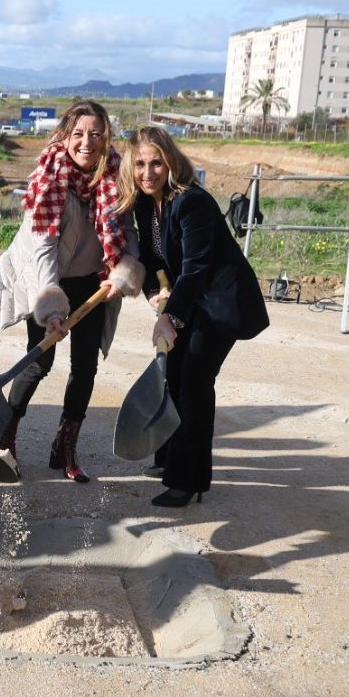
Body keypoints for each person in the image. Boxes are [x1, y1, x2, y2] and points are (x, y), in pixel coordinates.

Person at [0, 100, 144, 482]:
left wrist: (124, 269)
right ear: (65, 136)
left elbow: (128, 230)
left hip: (95, 284)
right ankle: (5, 440)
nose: (87, 142)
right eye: (78, 133)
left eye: (95, 134)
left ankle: (65, 446)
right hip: (47, 280)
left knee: (85, 366)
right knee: (39, 361)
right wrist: (50, 308)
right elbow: (42, 248)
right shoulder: (48, 179)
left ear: (106, 137)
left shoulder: (117, 176)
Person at [121, 127, 269, 507]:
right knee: (172, 373)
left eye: (156, 163)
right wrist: (155, 295)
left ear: (171, 162)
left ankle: (188, 481)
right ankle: (169, 459)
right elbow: (152, 258)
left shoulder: (192, 202)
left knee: (195, 381)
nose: (148, 172)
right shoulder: (145, 204)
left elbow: (196, 267)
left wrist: (169, 317)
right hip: (191, 298)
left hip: (221, 302)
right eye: (140, 164)